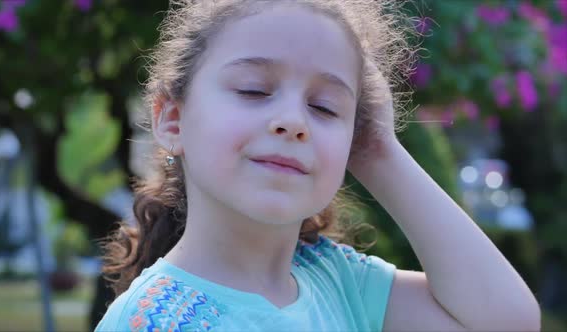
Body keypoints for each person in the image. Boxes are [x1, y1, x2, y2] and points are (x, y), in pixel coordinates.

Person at [95, 0, 541, 331]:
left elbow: (508, 320)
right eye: (253, 90)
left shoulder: (336, 280)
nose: (293, 122)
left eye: (325, 107)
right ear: (172, 119)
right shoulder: (152, 321)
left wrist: (381, 152)